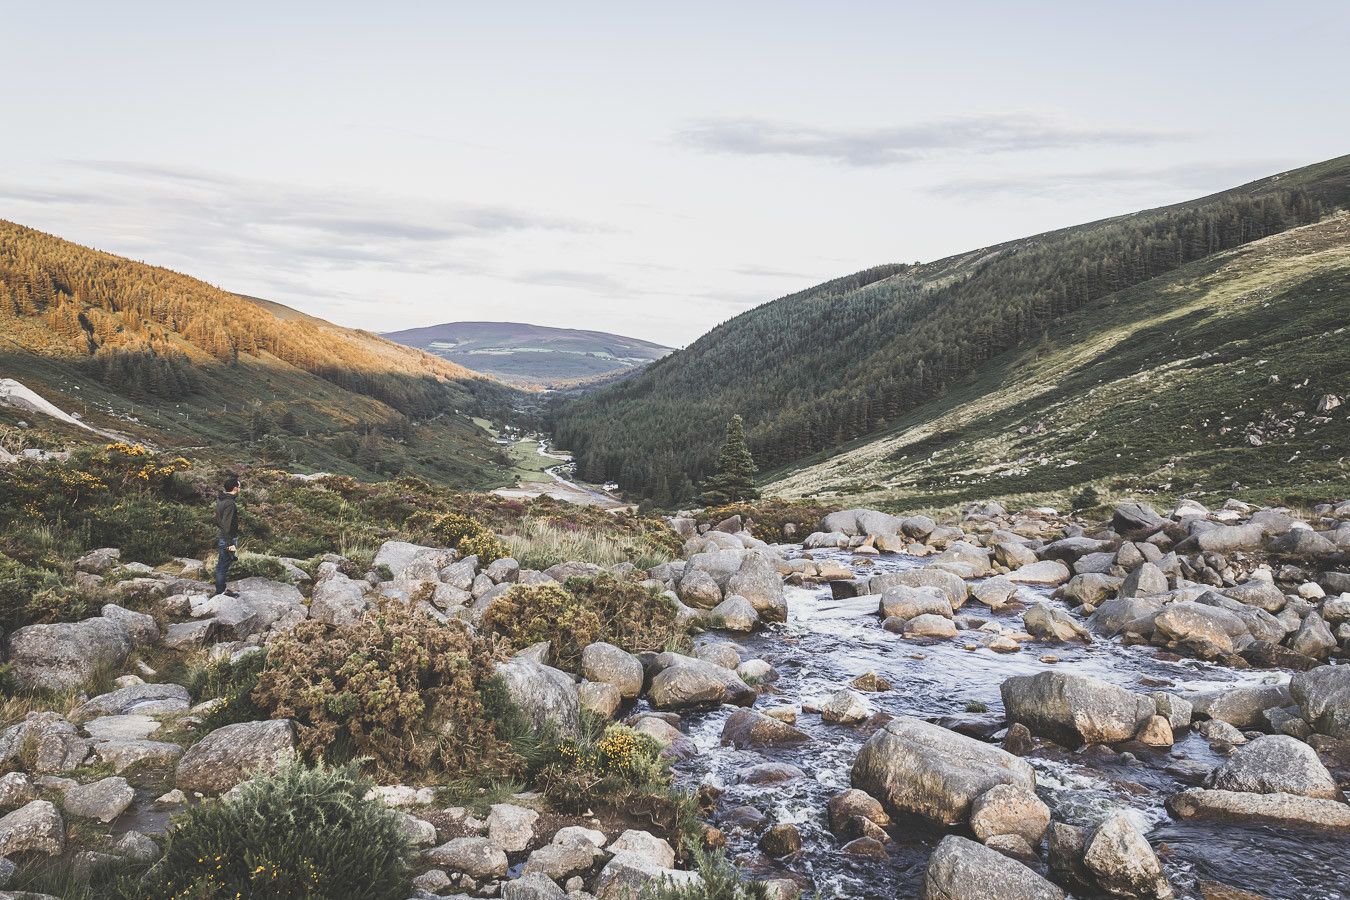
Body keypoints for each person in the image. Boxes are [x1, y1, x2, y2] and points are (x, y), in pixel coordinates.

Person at [214, 474, 241, 597]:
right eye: (239, 487)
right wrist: (230, 543)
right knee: (223, 566)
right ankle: (220, 592)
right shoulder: (230, 503)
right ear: (235, 488)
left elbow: (217, 520)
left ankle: (221, 590)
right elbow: (227, 525)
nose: (240, 489)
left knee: (222, 565)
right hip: (227, 538)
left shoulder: (221, 499)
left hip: (223, 537)